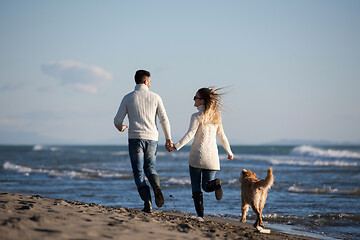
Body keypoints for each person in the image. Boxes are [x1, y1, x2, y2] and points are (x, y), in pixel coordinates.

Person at [169, 87, 234, 221]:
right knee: (207, 186)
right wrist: (229, 151)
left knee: (196, 188)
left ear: (202, 101)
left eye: (196, 98)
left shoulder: (196, 116)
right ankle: (216, 184)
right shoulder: (216, 116)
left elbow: (190, 134)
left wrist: (176, 146)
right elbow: (222, 136)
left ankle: (200, 216)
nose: (194, 99)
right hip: (212, 159)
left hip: (197, 157)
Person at [114, 69, 173, 213]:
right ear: (146, 81)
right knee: (150, 168)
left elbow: (117, 120)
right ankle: (156, 187)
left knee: (138, 172)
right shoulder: (156, 97)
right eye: (150, 81)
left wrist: (121, 128)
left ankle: (148, 204)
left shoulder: (128, 97)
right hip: (152, 138)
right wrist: (168, 138)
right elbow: (164, 120)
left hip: (135, 138)